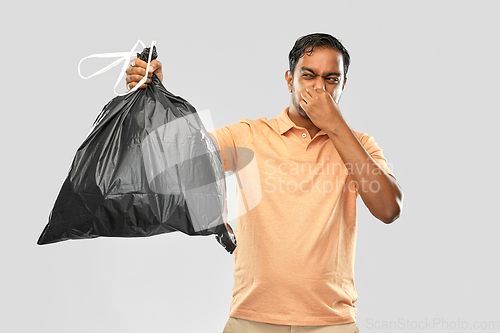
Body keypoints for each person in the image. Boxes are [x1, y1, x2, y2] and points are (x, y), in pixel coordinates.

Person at [125, 33, 403, 333]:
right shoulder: (249, 136)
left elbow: (389, 208)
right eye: (308, 76)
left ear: (343, 85)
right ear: (289, 79)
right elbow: (175, 158)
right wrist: (150, 96)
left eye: (332, 79)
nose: (319, 88)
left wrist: (335, 124)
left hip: (331, 323)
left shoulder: (359, 145)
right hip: (251, 320)